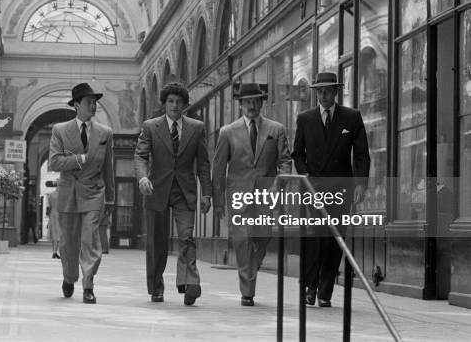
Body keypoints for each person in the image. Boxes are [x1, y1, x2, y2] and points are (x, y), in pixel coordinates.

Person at [291, 71, 370, 308]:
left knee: (335, 240)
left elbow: (362, 155)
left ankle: (325, 291)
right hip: (313, 188)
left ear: (336, 92)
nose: (323, 95)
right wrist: (305, 175)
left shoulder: (352, 117)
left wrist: (360, 185)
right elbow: (297, 153)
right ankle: (310, 286)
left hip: (341, 189)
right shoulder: (305, 118)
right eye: (319, 91)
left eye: (327, 90)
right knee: (314, 238)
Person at [212, 83, 292, 306]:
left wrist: (279, 185)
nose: (252, 105)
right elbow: (218, 169)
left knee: (263, 238)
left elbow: (285, 162)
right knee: (243, 239)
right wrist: (218, 201)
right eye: (247, 101)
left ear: (262, 103)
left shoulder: (276, 129)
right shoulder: (227, 132)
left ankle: (250, 268)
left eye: (256, 101)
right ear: (240, 105)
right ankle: (247, 291)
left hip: (267, 195)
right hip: (238, 196)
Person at [134, 81, 212, 306]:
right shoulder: (151, 126)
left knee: (187, 237)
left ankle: (189, 283)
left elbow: (204, 164)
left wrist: (206, 193)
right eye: (171, 101)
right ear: (165, 104)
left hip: (184, 191)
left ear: (185, 105)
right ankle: (156, 287)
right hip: (156, 189)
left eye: (179, 102)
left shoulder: (196, 128)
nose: (175, 105)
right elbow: (140, 156)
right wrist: (143, 177)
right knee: (157, 243)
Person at [49, 83, 115, 304]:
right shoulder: (60, 130)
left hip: (94, 192)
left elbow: (108, 167)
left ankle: (89, 285)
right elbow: (55, 161)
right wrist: (81, 159)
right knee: (68, 243)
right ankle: (69, 277)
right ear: (77, 105)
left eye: (95, 102)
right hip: (68, 192)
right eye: (89, 102)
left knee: (90, 239)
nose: (94, 105)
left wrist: (111, 197)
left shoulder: (105, 133)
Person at [47, 187, 61, 259]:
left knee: (53, 234)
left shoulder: (51, 195)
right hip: (60, 215)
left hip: (52, 214)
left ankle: (54, 251)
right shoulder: (62, 195)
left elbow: (48, 207)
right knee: (58, 234)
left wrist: (49, 217)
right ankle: (55, 251)